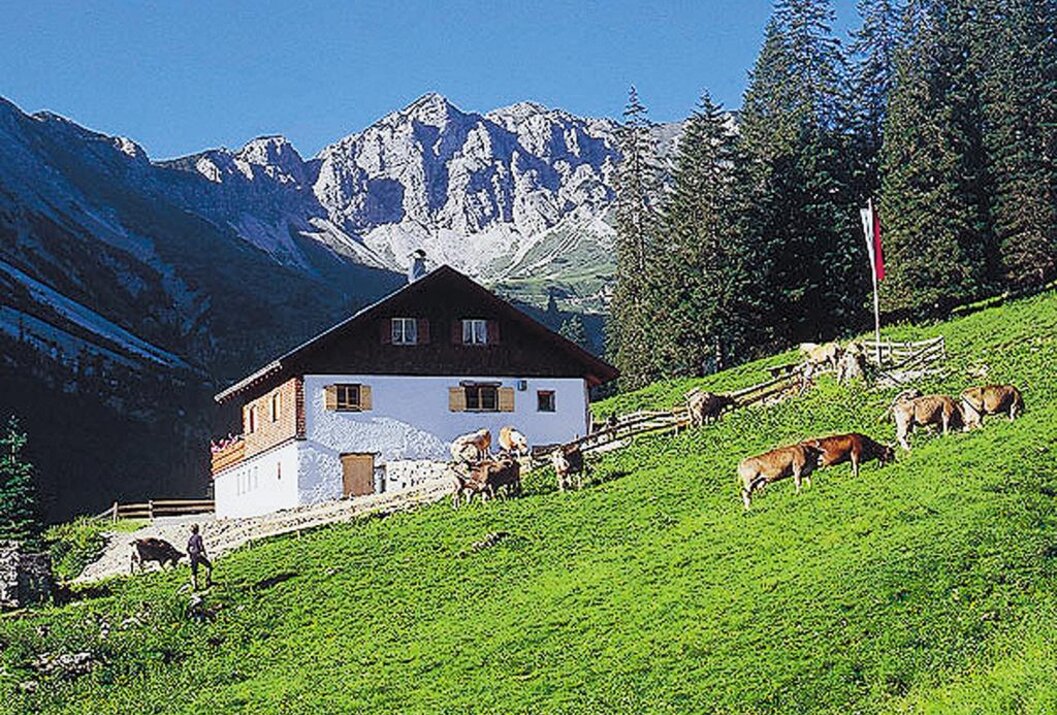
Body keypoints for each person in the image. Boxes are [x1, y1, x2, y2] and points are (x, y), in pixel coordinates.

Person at [187, 523, 212, 590]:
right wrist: (204, 553)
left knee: (194, 572)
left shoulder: (190, 539)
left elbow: (187, 549)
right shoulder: (198, 537)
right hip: (198, 554)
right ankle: (208, 581)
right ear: (198, 530)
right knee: (208, 566)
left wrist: (191, 554)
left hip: (193, 556)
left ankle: (195, 586)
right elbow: (201, 546)